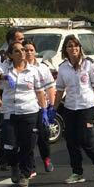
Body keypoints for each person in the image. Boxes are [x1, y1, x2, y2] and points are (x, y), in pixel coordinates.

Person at [55, 34, 94, 184]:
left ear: (80, 48)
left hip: (86, 106)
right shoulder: (63, 68)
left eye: (76, 46)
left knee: (85, 139)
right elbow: (59, 90)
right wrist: (53, 108)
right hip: (70, 107)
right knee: (71, 141)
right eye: (70, 46)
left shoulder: (88, 65)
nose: (73, 49)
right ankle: (77, 172)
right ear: (65, 50)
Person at [0, 41, 51, 187]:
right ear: (10, 55)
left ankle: (24, 175)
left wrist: (44, 111)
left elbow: (40, 92)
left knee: (27, 147)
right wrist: (4, 76)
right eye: (17, 51)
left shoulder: (33, 71)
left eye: (23, 50)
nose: (22, 52)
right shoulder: (5, 67)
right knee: (9, 145)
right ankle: (14, 165)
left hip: (29, 112)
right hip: (9, 112)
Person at [0, 27, 24, 170]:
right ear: (11, 41)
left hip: (22, 98)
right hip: (7, 95)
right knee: (5, 129)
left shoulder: (24, 53)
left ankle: (21, 159)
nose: (22, 42)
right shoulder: (1, 56)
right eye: (19, 39)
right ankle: (3, 158)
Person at [24, 41, 56, 173]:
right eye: (26, 50)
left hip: (42, 108)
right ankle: (30, 166)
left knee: (43, 137)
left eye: (31, 50)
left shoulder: (42, 68)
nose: (29, 52)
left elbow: (49, 87)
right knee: (29, 139)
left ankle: (46, 159)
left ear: (35, 51)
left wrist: (52, 106)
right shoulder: (20, 68)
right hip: (28, 108)